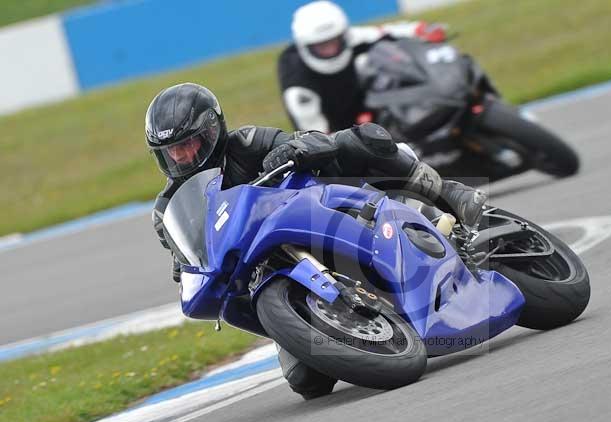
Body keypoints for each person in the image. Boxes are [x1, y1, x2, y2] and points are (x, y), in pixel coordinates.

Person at [145, 83, 485, 397]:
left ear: (212, 131)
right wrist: (189, 267)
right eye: (171, 151)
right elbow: (187, 255)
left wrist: (295, 148)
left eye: (188, 144)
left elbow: (315, 140)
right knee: (308, 384)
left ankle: (446, 193)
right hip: (264, 271)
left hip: (313, 214)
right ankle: (345, 320)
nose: (181, 157)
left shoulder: (246, 142)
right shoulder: (167, 210)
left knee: (357, 141)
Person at [278, 0, 446, 132]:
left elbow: (386, 32)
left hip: (371, 113)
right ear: (305, 46)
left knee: (381, 61)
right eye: (321, 46)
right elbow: (313, 132)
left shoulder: (354, 38)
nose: (329, 50)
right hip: (334, 133)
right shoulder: (296, 79)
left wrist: (422, 30)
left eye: (333, 42)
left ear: (343, 36)